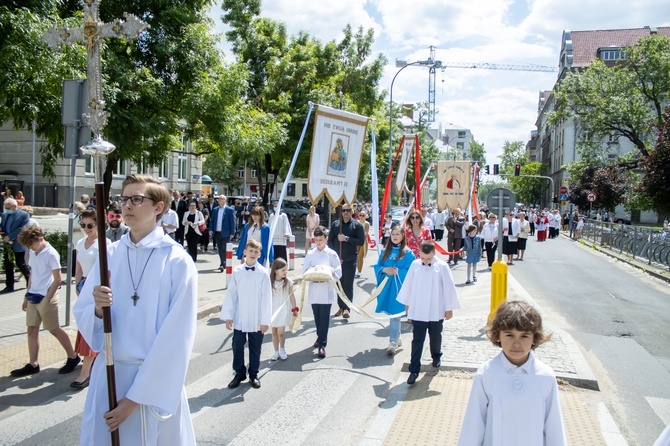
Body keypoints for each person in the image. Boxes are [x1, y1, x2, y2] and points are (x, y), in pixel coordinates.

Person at [73, 174, 197, 445]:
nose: (127, 205)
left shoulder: (177, 261)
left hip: (152, 386)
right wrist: (96, 309)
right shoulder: (111, 254)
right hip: (109, 376)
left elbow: (176, 340)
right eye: (124, 199)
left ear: (158, 207)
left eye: (137, 199)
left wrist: (134, 399)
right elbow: (83, 313)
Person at [458, 301, 566, 445]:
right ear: (498, 336)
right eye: (509, 335)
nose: (516, 343)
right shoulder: (486, 374)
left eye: (524, 336)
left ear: (534, 338)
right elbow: (473, 424)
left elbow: (554, 427)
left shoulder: (545, 377)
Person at [11, 225, 80, 377]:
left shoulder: (51, 253)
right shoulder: (33, 251)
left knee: (54, 329)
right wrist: (26, 295)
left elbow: (58, 279)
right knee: (32, 329)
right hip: (33, 295)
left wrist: (47, 299)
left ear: (40, 239)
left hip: (46, 296)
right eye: (28, 246)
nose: (30, 248)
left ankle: (73, 357)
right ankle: (33, 363)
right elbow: (32, 274)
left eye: (31, 245)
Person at [397, 240, 460, 385]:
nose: (425, 261)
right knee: (417, 339)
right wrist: (408, 305)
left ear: (434, 254)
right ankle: (414, 370)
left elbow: (448, 287)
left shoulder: (442, 267)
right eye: (423, 258)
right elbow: (408, 285)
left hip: (436, 308)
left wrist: (449, 307)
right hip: (419, 309)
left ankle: (436, 355)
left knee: (435, 335)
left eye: (428, 258)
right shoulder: (415, 265)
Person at [221, 239, 272, 389]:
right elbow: (231, 295)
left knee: (255, 347)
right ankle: (239, 372)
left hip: (256, 317)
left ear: (259, 254)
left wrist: (265, 320)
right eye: (251, 251)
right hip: (241, 316)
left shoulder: (263, 273)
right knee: (237, 345)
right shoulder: (237, 272)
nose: (253, 254)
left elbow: (266, 298)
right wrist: (229, 316)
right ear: (245, 252)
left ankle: (254, 373)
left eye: (256, 252)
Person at [72, 209, 110, 389]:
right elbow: (78, 266)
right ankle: (90, 363)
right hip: (83, 286)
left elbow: (106, 270)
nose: (86, 229)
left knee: (92, 324)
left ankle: (85, 372)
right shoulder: (80, 243)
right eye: (83, 225)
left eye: (90, 225)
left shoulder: (104, 243)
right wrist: (77, 283)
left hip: (96, 288)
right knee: (83, 324)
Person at [373, 224, 416, 356]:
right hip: (387, 287)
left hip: (400, 288)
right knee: (393, 313)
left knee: (395, 314)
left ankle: (392, 341)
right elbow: (378, 266)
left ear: (403, 236)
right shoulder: (385, 251)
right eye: (393, 234)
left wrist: (398, 271)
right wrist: (385, 270)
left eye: (398, 234)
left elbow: (412, 271)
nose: (395, 236)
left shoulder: (408, 253)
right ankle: (397, 337)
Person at [304, 226, 342, 357]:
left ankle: (322, 345)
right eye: (316, 239)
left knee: (324, 318)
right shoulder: (310, 254)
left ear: (326, 239)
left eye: (321, 239)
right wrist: (312, 275)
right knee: (317, 317)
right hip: (315, 290)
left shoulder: (331, 254)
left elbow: (338, 272)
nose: (318, 242)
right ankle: (319, 336)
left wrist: (329, 275)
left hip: (326, 290)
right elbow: (305, 271)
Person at [327, 203, 365, 318]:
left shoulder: (356, 225)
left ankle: (347, 308)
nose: (346, 213)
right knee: (339, 285)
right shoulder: (336, 225)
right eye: (344, 211)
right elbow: (330, 242)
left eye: (348, 210)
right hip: (338, 261)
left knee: (347, 285)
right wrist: (336, 256)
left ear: (352, 211)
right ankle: (341, 307)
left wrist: (346, 239)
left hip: (350, 260)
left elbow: (360, 241)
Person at [269, 258, 298, 361]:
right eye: (283, 270)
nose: (285, 272)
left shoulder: (288, 282)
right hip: (273, 309)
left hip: (283, 309)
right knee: (274, 332)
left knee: (281, 331)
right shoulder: (270, 282)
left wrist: (294, 308)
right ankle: (276, 351)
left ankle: (282, 349)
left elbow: (291, 296)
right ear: (276, 270)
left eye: (286, 270)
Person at [1, 198, 31, 294]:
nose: (6, 209)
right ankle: (9, 286)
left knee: (20, 263)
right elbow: (3, 227)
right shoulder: (5, 215)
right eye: (5, 208)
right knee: (8, 264)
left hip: (18, 243)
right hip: (7, 244)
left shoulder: (24, 215)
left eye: (8, 208)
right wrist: (3, 234)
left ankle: (30, 282)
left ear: (14, 206)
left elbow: (23, 228)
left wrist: (10, 236)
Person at [209, 195, 236, 272]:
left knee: (224, 248)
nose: (220, 200)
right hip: (217, 232)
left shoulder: (229, 210)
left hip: (226, 233)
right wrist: (211, 229)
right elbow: (212, 221)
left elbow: (232, 222)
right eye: (219, 199)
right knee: (220, 249)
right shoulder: (215, 210)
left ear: (225, 200)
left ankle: (223, 264)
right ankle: (222, 263)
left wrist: (232, 232)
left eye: (222, 199)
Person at [355, 211, 370, 278]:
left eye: (363, 215)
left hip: (363, 242)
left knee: (360, 257)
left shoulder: (367, 224)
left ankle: (359, 271)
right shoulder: (356, 222)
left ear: (365, 216)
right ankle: (355, 269)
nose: (361, 217)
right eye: (360, 215)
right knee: (356, 256)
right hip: (356, 241)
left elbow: (365, 233)